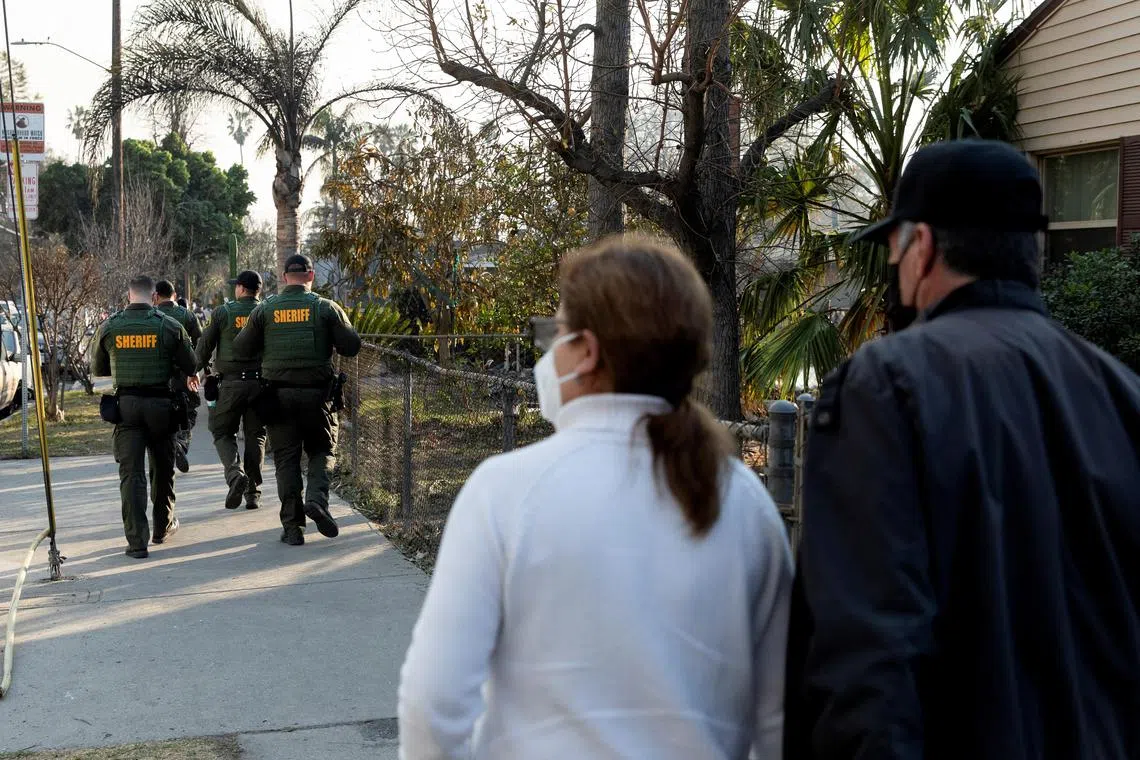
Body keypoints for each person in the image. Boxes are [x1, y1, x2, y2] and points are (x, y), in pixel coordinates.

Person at [784, 140, 1140, 760]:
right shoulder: (1122, 392)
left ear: (920, 247)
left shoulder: (885, 386)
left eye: (893, 250)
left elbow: (867, 654)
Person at [399, 235, 793, 759]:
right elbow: (780, 722)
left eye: (555, 332)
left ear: (586, 352)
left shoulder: (505, 491)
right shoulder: (746, 503)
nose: (549, 351)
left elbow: (433, 704)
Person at [232, 254, 361, 546]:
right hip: (318, 398)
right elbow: (351, 346)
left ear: (283, 275)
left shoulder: (265, 310)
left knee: (286, 460)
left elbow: (241, 348)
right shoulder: (326, 308)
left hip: (277, 398)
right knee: (323, 450)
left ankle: (292, 528)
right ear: (311, 275)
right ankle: (316, 499)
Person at [92, 275, 198, 559]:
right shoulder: (169, 326)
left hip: (126, 408)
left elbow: (99, 371)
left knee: (131, 475)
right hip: (161, 407)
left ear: (129, 296)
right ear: (154, 298)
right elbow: (191, 363)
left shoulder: (110, 327)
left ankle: (137, 543)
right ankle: (162, 528)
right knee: (162, 469)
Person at [195, 270, 268, 510]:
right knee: (255, 436)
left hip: (231, 385)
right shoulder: (268, 311)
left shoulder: (223, 313)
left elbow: (204, 346)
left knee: (221, 432)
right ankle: (253, 493)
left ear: (241, 289)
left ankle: (235, 476)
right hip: (260, 384)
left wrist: (192, 371)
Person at [154, 280, 203, 473]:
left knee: (162, 414)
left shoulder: (153, 316)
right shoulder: (188, 316)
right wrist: (198, 372)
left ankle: (169, 446)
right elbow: (200, 345)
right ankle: (181, 443)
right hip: (184, 375)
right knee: (189, 412)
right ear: (174, 295)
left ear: (156, 296)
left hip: (159, 376)